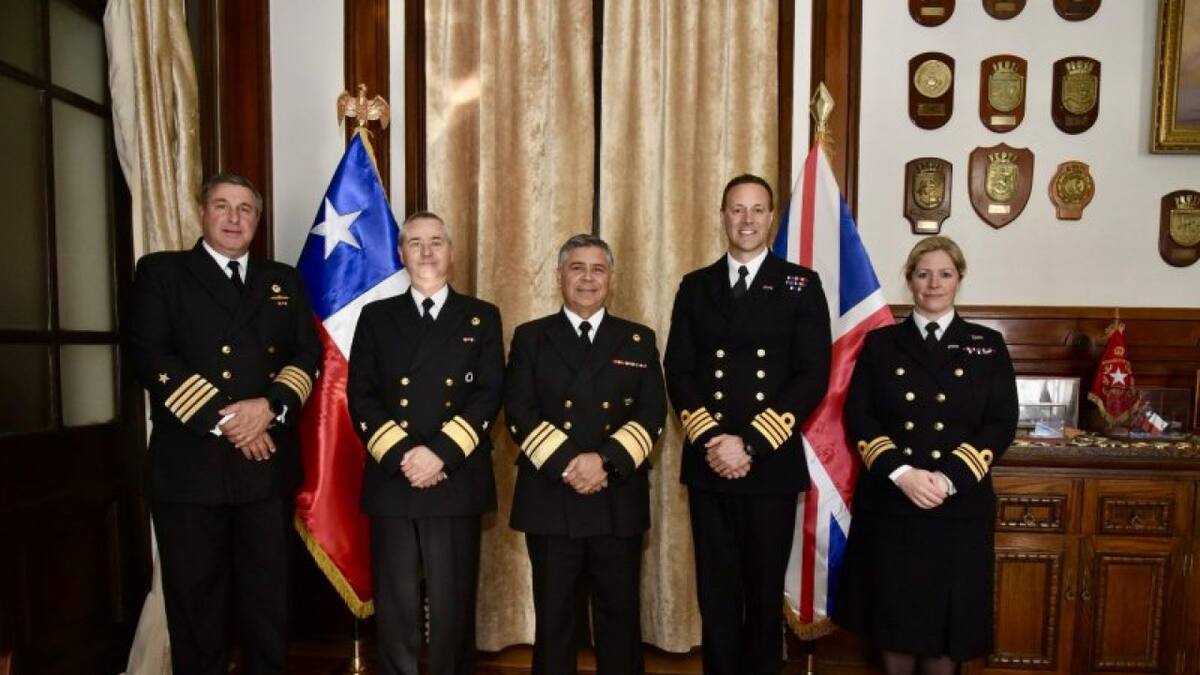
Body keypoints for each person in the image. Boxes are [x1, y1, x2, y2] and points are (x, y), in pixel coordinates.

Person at [128, 172, 322, 675]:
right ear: (202, 213)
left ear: (257, 220)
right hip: (190, 469)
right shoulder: (162, 272)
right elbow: (151, 356)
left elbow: (307, 354)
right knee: (196, 610)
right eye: (222, 206)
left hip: (265, 467)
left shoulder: (282, 280)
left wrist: (271, 407)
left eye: (245, 209)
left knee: (268, 604)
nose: (234, 218)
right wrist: (232, 422)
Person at [664, 174, 832, 674]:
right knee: (715, 594)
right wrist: (714, 440)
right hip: (710, 463)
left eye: (757, 210)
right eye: (737, 209)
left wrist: (751, 444)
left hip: (770, 466)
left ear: (772, 218)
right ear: (722, 216)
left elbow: (812, 374)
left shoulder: (801, 285)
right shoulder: (696, 286)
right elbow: (679, 369)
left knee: (762, 596)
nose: (747, 220)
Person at [833, 236, 1018, 675]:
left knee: (945, 629)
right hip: (893, 503)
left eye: (945, 274)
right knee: (894, 624)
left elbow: (1000, 422)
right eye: (923, 274)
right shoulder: (880, 344)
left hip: (957, 506)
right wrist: (903, 474)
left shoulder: (987, 345)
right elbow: (860, 416)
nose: (934, 284)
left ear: (959, 280)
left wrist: (947, 479)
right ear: (910, 281)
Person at [347, 211, 504, 675]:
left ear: (451, 252)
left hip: (454, 478)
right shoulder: (376, 317)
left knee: (453, 605)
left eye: (436, 241)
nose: (427, 251)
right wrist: (404, 456)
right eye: (415, 243)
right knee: (395, 607)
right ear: (401, 254)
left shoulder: (481, 316)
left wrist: (439, 455)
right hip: (394, 478)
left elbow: (489, 393)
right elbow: (361, 395)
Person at [505, 234, 667, 675]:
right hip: (550, 496)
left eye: (598, 269)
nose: (588, 278)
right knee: (554, 620)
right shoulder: (531, 337)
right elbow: (519, 411)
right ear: (559, 276)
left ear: (611, 278)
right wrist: (570, 465)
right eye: (577, 268)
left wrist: (604, 463)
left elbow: (652, 413)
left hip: (617, 497)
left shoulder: (637, 339)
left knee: (620, 619)